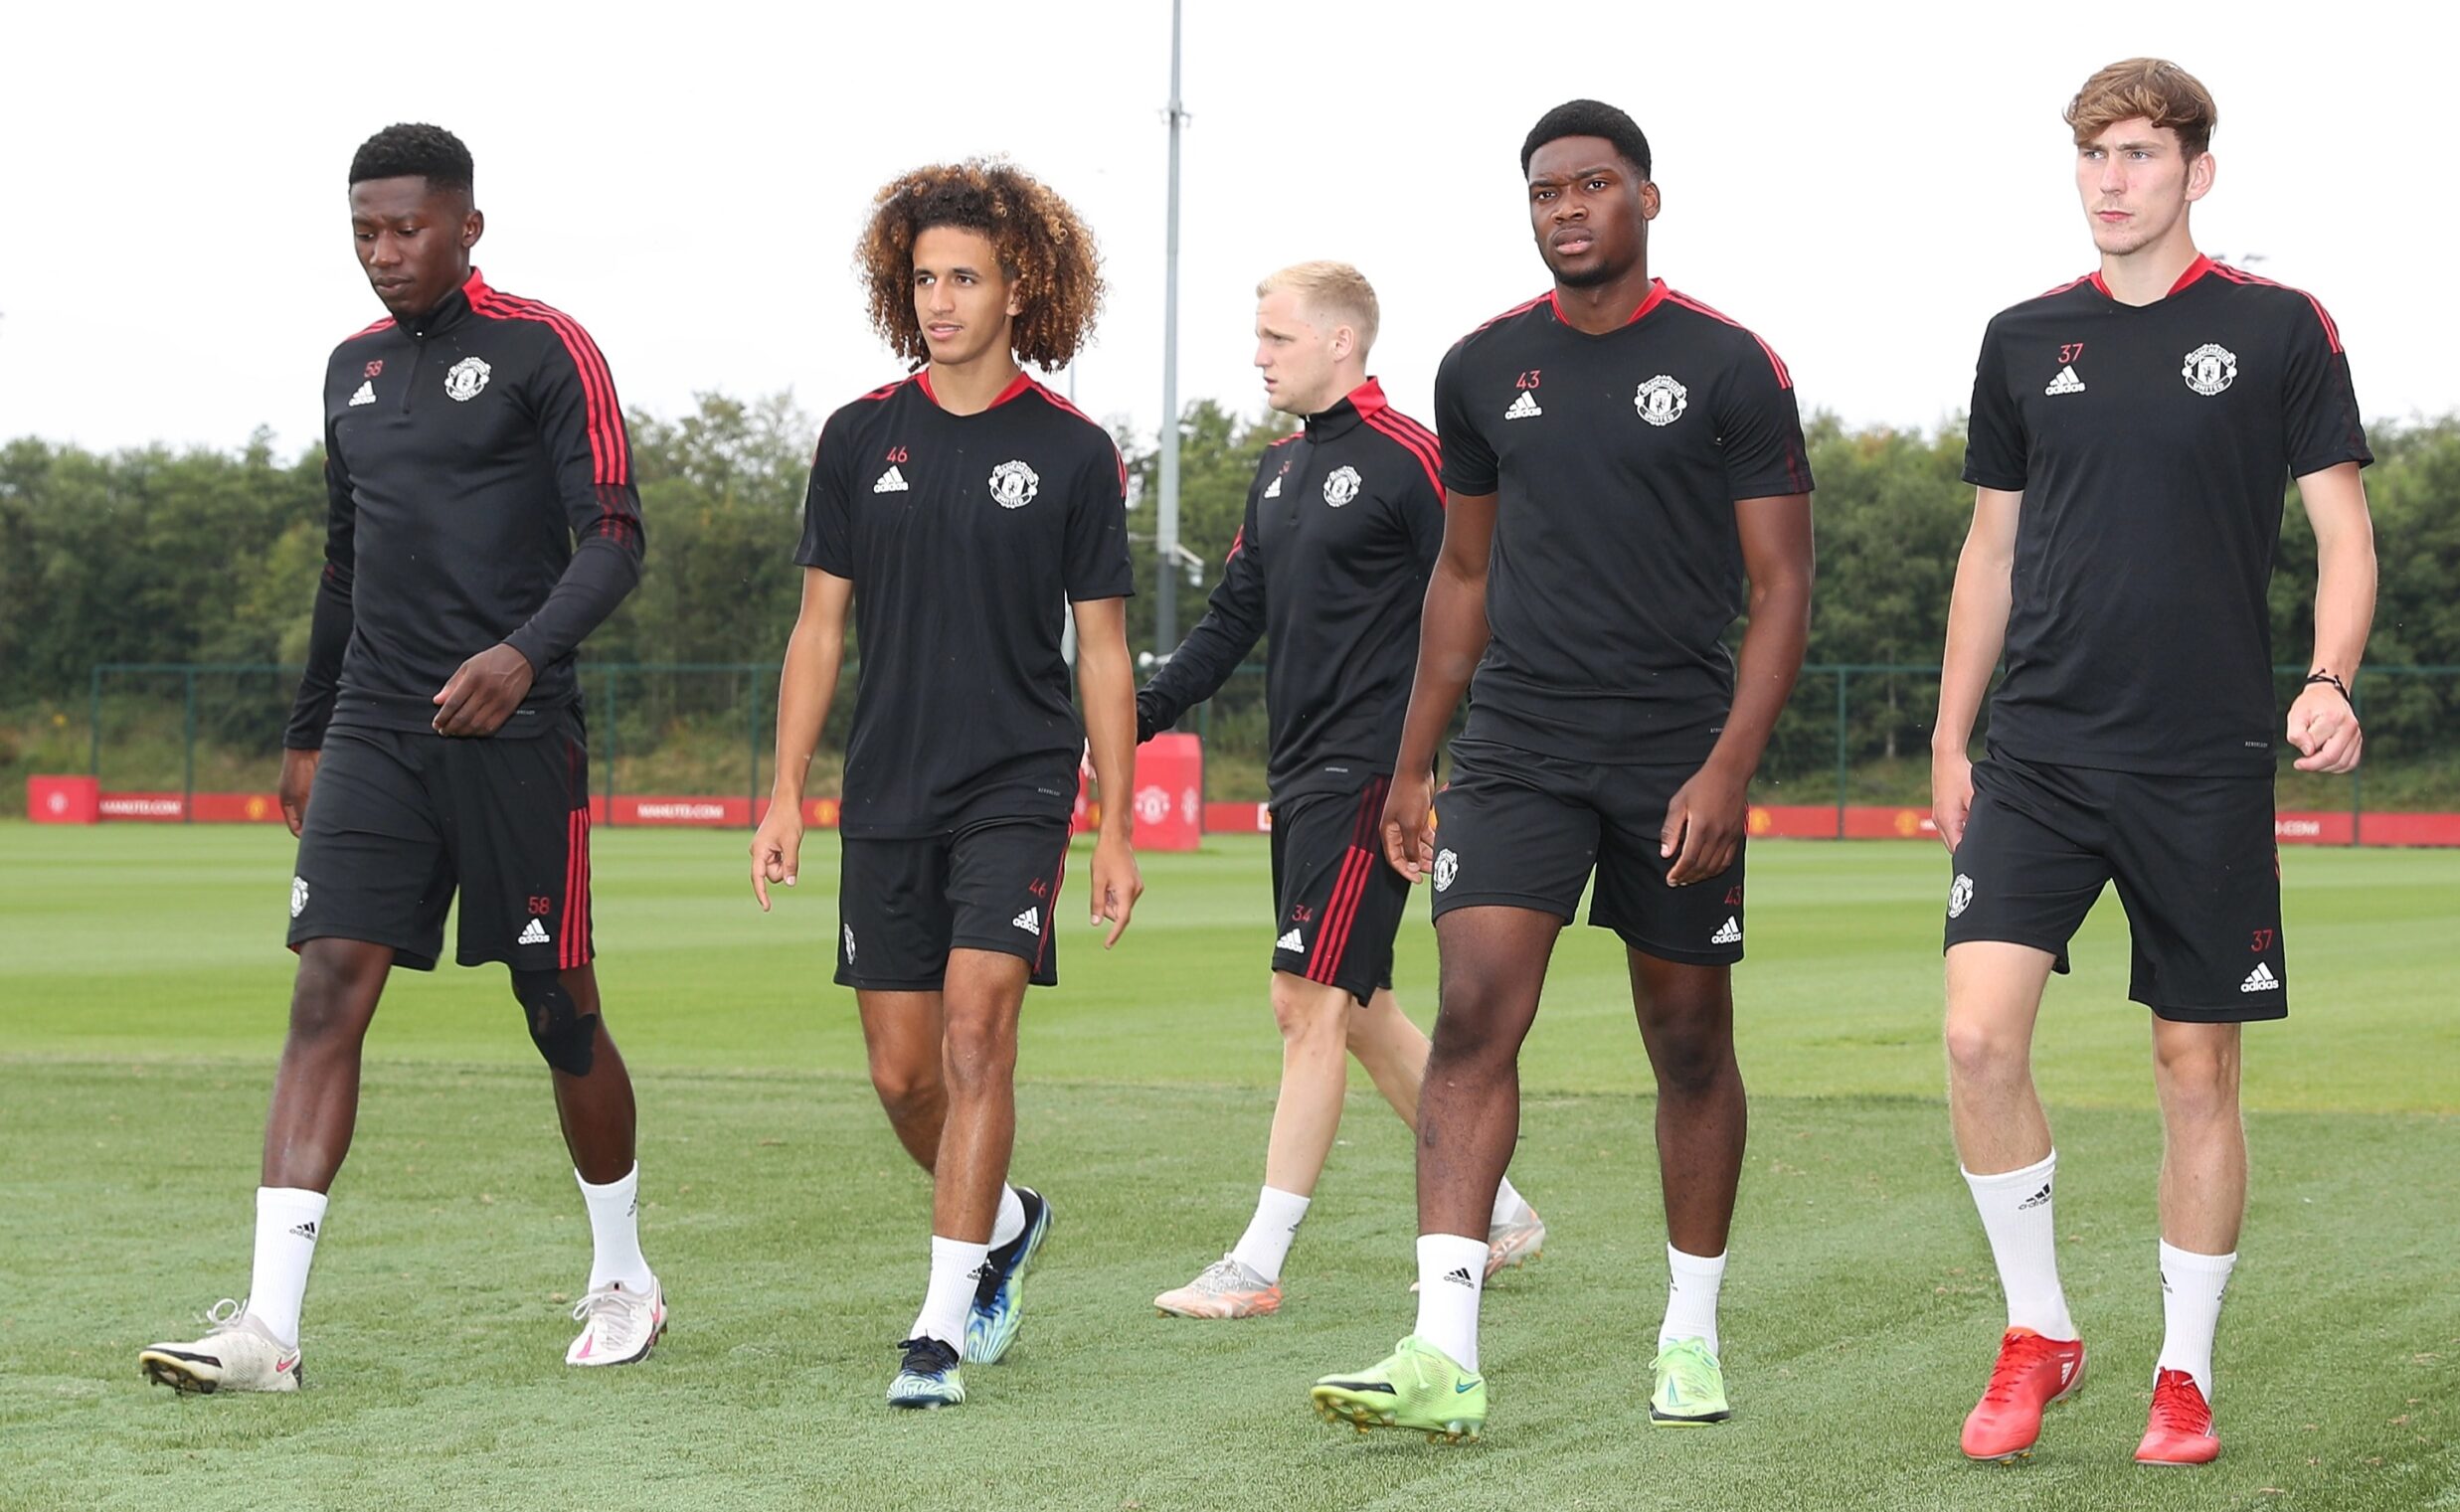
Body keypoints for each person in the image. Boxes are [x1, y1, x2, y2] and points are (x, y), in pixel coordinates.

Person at [1311, 99, 1815, 1440]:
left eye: (1592, 186)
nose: (1567, 210)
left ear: (1647, 199)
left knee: (1688, 1040)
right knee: (1473, 1010)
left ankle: (1691, 1336)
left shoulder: (1729, 366)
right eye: (1545, 192)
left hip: (1672, 753)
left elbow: (1782, 587)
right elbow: (1462, 575)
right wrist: (1412, 765)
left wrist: (1727, 768)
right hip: (1519, 745)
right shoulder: (1481, 370)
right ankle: (1441, 1351)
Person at [141, 123, 659, 1392]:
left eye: (407, 228)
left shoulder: (547, 348)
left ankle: (624, 1277)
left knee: (556, 1008)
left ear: (468, 225)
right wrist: (311, 726)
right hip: (378, 727)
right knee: (326, 991)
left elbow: (615, 537)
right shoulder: (349, 371)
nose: (383, 253)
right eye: (364, 231)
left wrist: (521, 656)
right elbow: (343, 562)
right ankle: (269, 1331)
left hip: (517, 730)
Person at [1933, 58, 2376, 1467]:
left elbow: (2344, 534)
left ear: (2197, 171)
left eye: (2137, 155)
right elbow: (1991, 550)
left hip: (2201, 760)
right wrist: (1952, 734)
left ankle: (2181, 1373)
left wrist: (2329, 679)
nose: (2111, 181)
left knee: (2194, 1067)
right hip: (2044, 752)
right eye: (2092, 157)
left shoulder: (2277, 328)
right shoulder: (2020, 339)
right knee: (1975, 1035)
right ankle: (2040, 1328)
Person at [747, 159, 1141, 1411]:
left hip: (1018, 786)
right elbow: (819, 631)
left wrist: (1116, 825)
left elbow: (1105, 647)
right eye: (923, 278)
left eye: (964, 276)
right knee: (903, 1075)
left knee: (979, 1039)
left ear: (1020, 286)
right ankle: (1007, 1222)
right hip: (888, 789)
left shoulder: (1076, 453)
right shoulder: (860, 437)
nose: (940, 299)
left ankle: (936, 1323)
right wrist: (782, 790)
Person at [1137, 262, 1544, 1322]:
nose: (1258, 354)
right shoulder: (1275, 473)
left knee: (1304, 1002)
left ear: (1339, 343)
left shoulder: (1415, 459)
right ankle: (1498, 1206)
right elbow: (1231, 623)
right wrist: (1125, 717)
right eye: (1259, 336)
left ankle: (1259, 1262)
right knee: (1359, 1010)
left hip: (1373, 774)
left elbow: (1482, 601)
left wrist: (1444, 756)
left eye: (1273, 337)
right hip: (1297, 773)